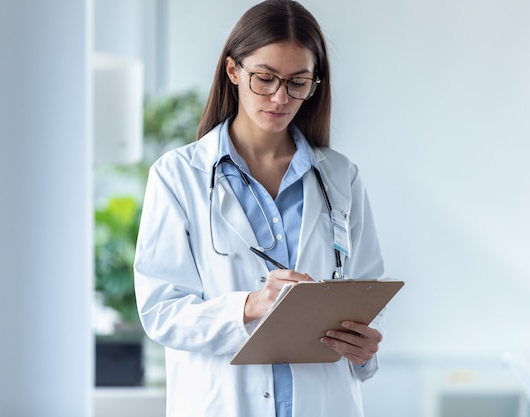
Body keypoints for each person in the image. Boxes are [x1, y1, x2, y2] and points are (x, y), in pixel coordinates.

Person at [133, 1, 385, 416]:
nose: (281, 97)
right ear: (233, 71)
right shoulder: (179, 176)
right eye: (265, 79)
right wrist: (250, 305)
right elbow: (161, 311)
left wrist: (366, 344)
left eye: (298, 82)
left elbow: (369, 292)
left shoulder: (340, 177)